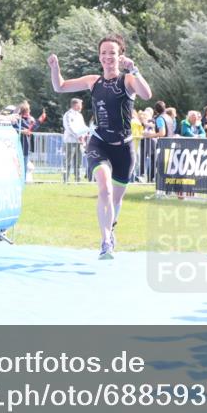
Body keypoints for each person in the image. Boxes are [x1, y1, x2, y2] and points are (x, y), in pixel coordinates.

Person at [47, 33, 152, 258]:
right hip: (99, 143)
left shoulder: (128, 80)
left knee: (116, 198)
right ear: (99, 56)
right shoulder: (93, 81)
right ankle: (105, 242)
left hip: (124, 148)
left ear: (120, 55)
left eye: (112, 53)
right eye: (103, 53)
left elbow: (146, 93)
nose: (107, 57)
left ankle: (110, 231)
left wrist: (134, 69)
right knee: (104, 188)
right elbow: (60, 86)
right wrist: (55, 67)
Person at [62, 97, 88, 183]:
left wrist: (84, 135)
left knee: (79, 162)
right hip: (70, 141)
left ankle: (78, 179)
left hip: (79, 142)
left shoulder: (80, 115)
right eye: (80, 105)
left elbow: (83, 126)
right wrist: (78, 135)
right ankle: (66, 180)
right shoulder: (68, 114)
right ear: (75, 105)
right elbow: (69, 127)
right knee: (68, 161)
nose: (81, 107)